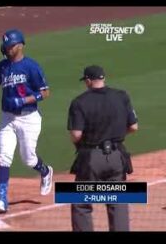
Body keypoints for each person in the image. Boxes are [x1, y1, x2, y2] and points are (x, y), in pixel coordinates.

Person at [0, 29, 53, 213]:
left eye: (10, 46)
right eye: (5, 46)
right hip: (7, 118)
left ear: (20, 45)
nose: (7, 49)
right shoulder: (2, 66)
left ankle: (45, 171)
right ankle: (2, 199)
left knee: (28, 159)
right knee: (3, 156)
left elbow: (45, 92)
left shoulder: (31, 67)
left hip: (29, 118)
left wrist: (23, 100)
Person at [67, 65, 138, 231]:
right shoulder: (121, 96)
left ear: (89, 81)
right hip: (117, 156)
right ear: (103, 78)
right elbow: (133, 126)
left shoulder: (79, 102)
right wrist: (115, 138)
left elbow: (76, 134)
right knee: (117, 200)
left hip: (91, 156)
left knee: (81, 202)